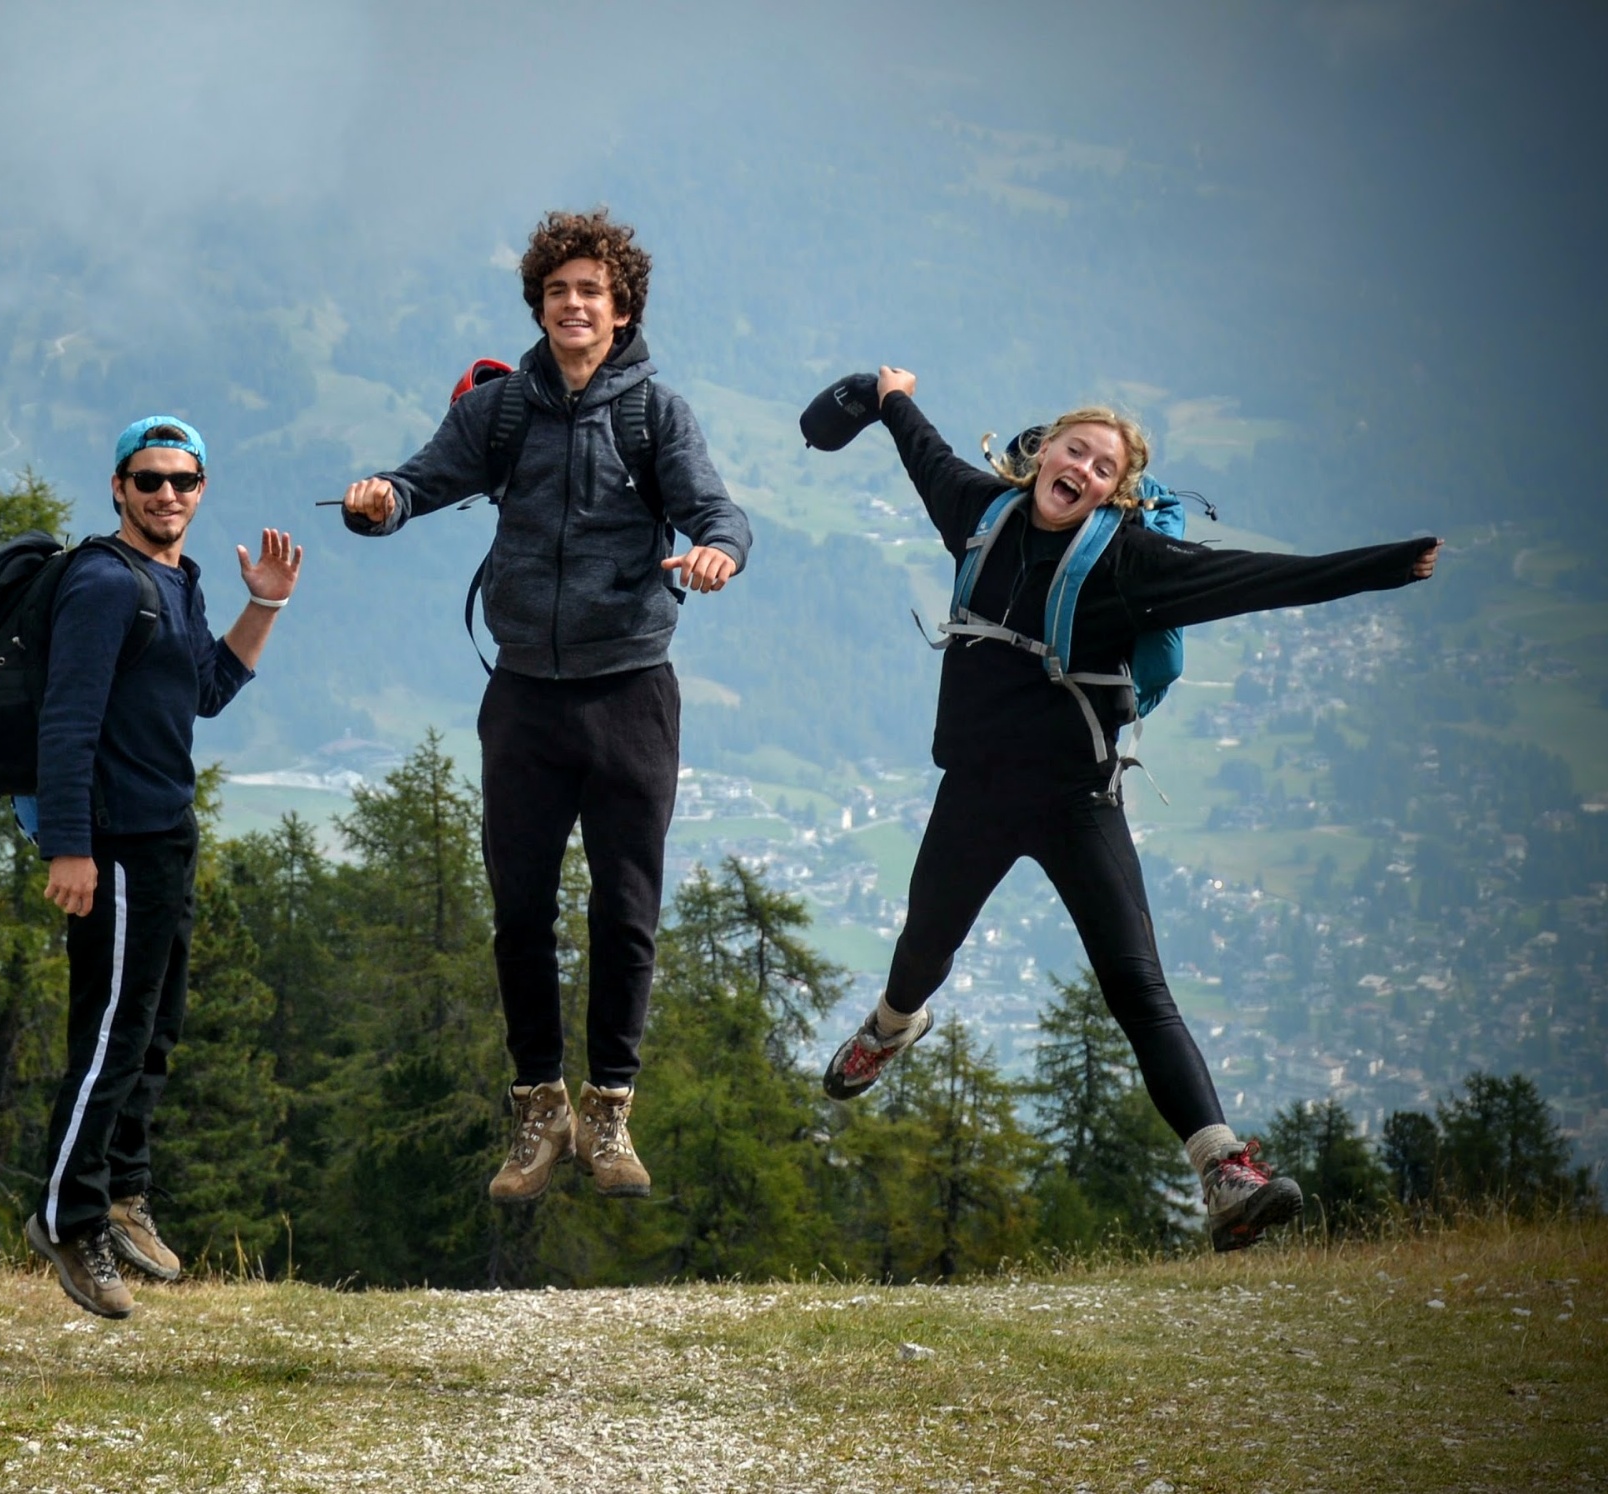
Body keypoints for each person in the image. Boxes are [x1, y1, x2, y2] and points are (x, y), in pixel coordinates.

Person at [819, 368, 1440, 1252]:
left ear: (1118, 492)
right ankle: (892, 1025)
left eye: (1106, 467)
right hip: (979, 790)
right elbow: (926, 452)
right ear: (1042, 454)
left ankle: (1224, 1171)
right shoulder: (979, 512)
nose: (1085, 468)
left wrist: (1386, 567)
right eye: (1077, 449)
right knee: (924, 948)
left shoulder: (1130, 563)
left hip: (1078, 801)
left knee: (1137, 985)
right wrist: (888, 396)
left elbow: (1258, 578)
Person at [341, 209, 753, 1205]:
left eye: (591, 293)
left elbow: (718, 513)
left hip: (629, 693)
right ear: (539, 303)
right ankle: (537, 1110)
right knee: (518, 910)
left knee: (625, 911)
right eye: (558, 290)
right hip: (522, 691)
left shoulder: (658, 414)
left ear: (620, 312)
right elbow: (419, 480)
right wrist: (379, 505)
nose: (573, 305)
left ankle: (608, 1111)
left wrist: (715, 556)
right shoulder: (503, 411)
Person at [25, 416, 303, 1316]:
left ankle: (123, 1190)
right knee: (110, 1035)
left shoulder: (172, 580)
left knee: (152, 1032)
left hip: (166, 838)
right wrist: (70, 847)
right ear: (117, 488)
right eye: (149, 480)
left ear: (202, 489)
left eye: (184, 481)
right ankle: (68, 1218)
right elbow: (65, 724)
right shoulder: (105, 583)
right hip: (115, 845)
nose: (167, 495)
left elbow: (208, 693)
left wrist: (262, 604)